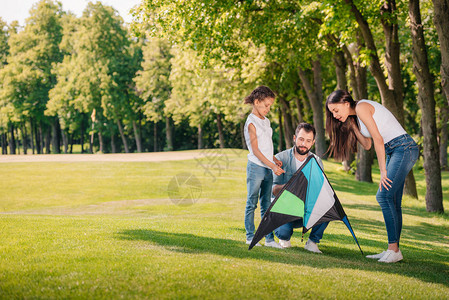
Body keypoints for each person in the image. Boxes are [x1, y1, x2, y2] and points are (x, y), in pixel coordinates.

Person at [325, 90, 419, 263]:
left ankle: (393, 249)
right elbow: (367, 144)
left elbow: (378, 139)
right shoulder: (356, 117)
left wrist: (383, 171)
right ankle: (394, 250)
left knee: (383, 195)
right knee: (392, 200)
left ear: (346, 103)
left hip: (403, 148)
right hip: (396, 150)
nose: (335, 115)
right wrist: (352, 126)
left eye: (336, 110)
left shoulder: (361, 107)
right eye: (332, 112)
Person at [272, 123, 329, 253]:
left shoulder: (317, 161)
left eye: (308, 141)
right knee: (283, 233)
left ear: (313, 142)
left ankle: (312, 242)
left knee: (328, 206)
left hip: (306, 210)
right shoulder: (281, 158)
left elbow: (320, 191)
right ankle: (284, 238)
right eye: (301, 139)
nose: (304, 144)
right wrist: (291, 186)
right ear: (294, 138)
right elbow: (273, 190)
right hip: (284, 209)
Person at [243, 86, 284, 248]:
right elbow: (256, 150)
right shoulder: (251, 122)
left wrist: (274, 159)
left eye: (270, 106)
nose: (268, 109)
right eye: (266, 105)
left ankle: (269, 239)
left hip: (267, 167)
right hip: (256, 168)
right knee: (252, 203)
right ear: (256, 102)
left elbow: (266, 147)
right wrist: (273, 166)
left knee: (267, 204)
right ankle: (250, 237)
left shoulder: (266, 122)